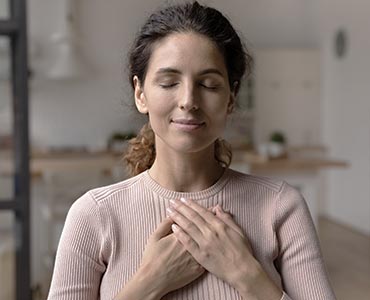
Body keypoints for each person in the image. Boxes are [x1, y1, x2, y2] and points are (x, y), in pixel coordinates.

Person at [47, 2, 336, 300]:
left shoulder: (281, 207)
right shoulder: (93, 215)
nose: (188, 100)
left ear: (231, 98)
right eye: (169, 82)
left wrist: (246, 275)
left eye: (209, 85)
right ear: (140, 94)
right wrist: (149, 282)